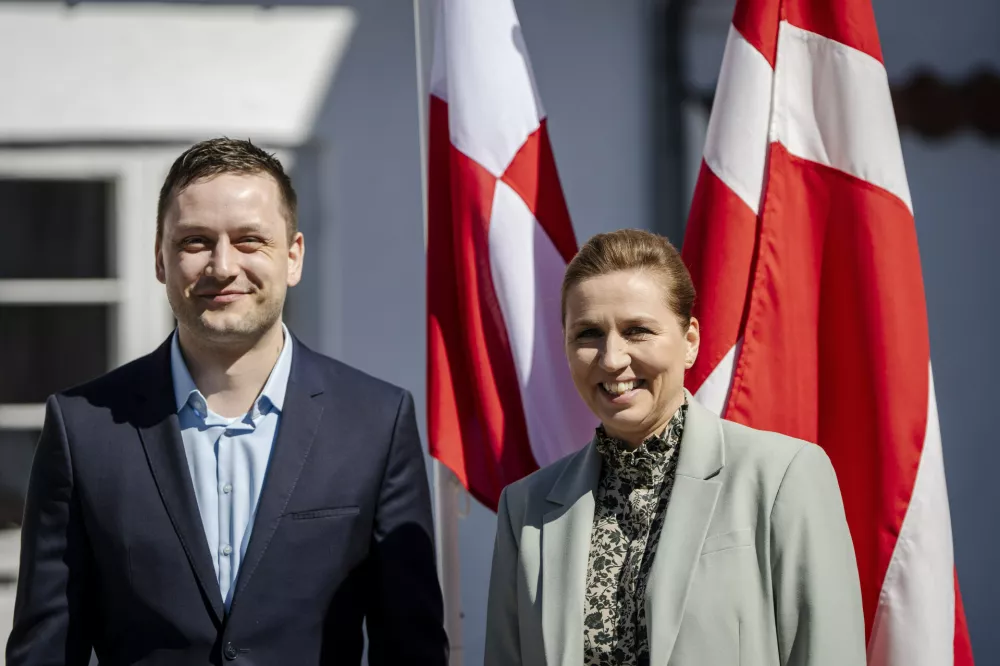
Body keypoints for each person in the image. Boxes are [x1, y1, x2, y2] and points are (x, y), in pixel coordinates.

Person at [6, 138, 448, 666]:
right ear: (159, 259)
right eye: (195, 241)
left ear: (293, 256)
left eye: (249, 240)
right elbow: (46, 650)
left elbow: (411, 646)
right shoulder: (84, 428)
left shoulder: (376, 421)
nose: (222, 265)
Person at [485, 229, 865, 665]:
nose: (612, 359)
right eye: (588, 333)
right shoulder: (526, 509)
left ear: (690, 342)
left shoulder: (782, 476)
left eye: (638, 331)